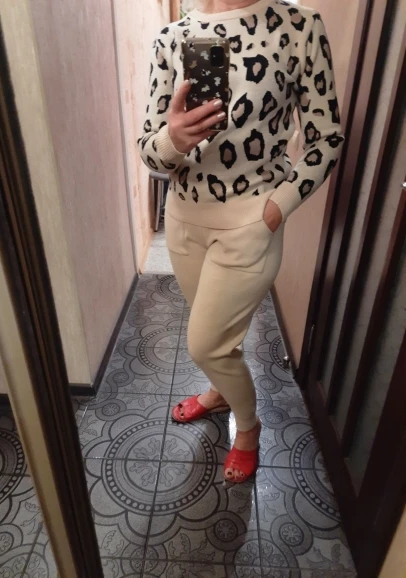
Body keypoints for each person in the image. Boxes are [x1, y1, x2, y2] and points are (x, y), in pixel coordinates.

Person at [138, 0, 344, 483]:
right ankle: (219, 393)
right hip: (184, 221)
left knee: (206, 344)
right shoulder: (171, 38)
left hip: (252, 222)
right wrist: (173, 141)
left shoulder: (299, 26)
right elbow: (149, 149)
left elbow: (326, 137)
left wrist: (278, 207)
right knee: (220, 337)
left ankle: (248, 429)